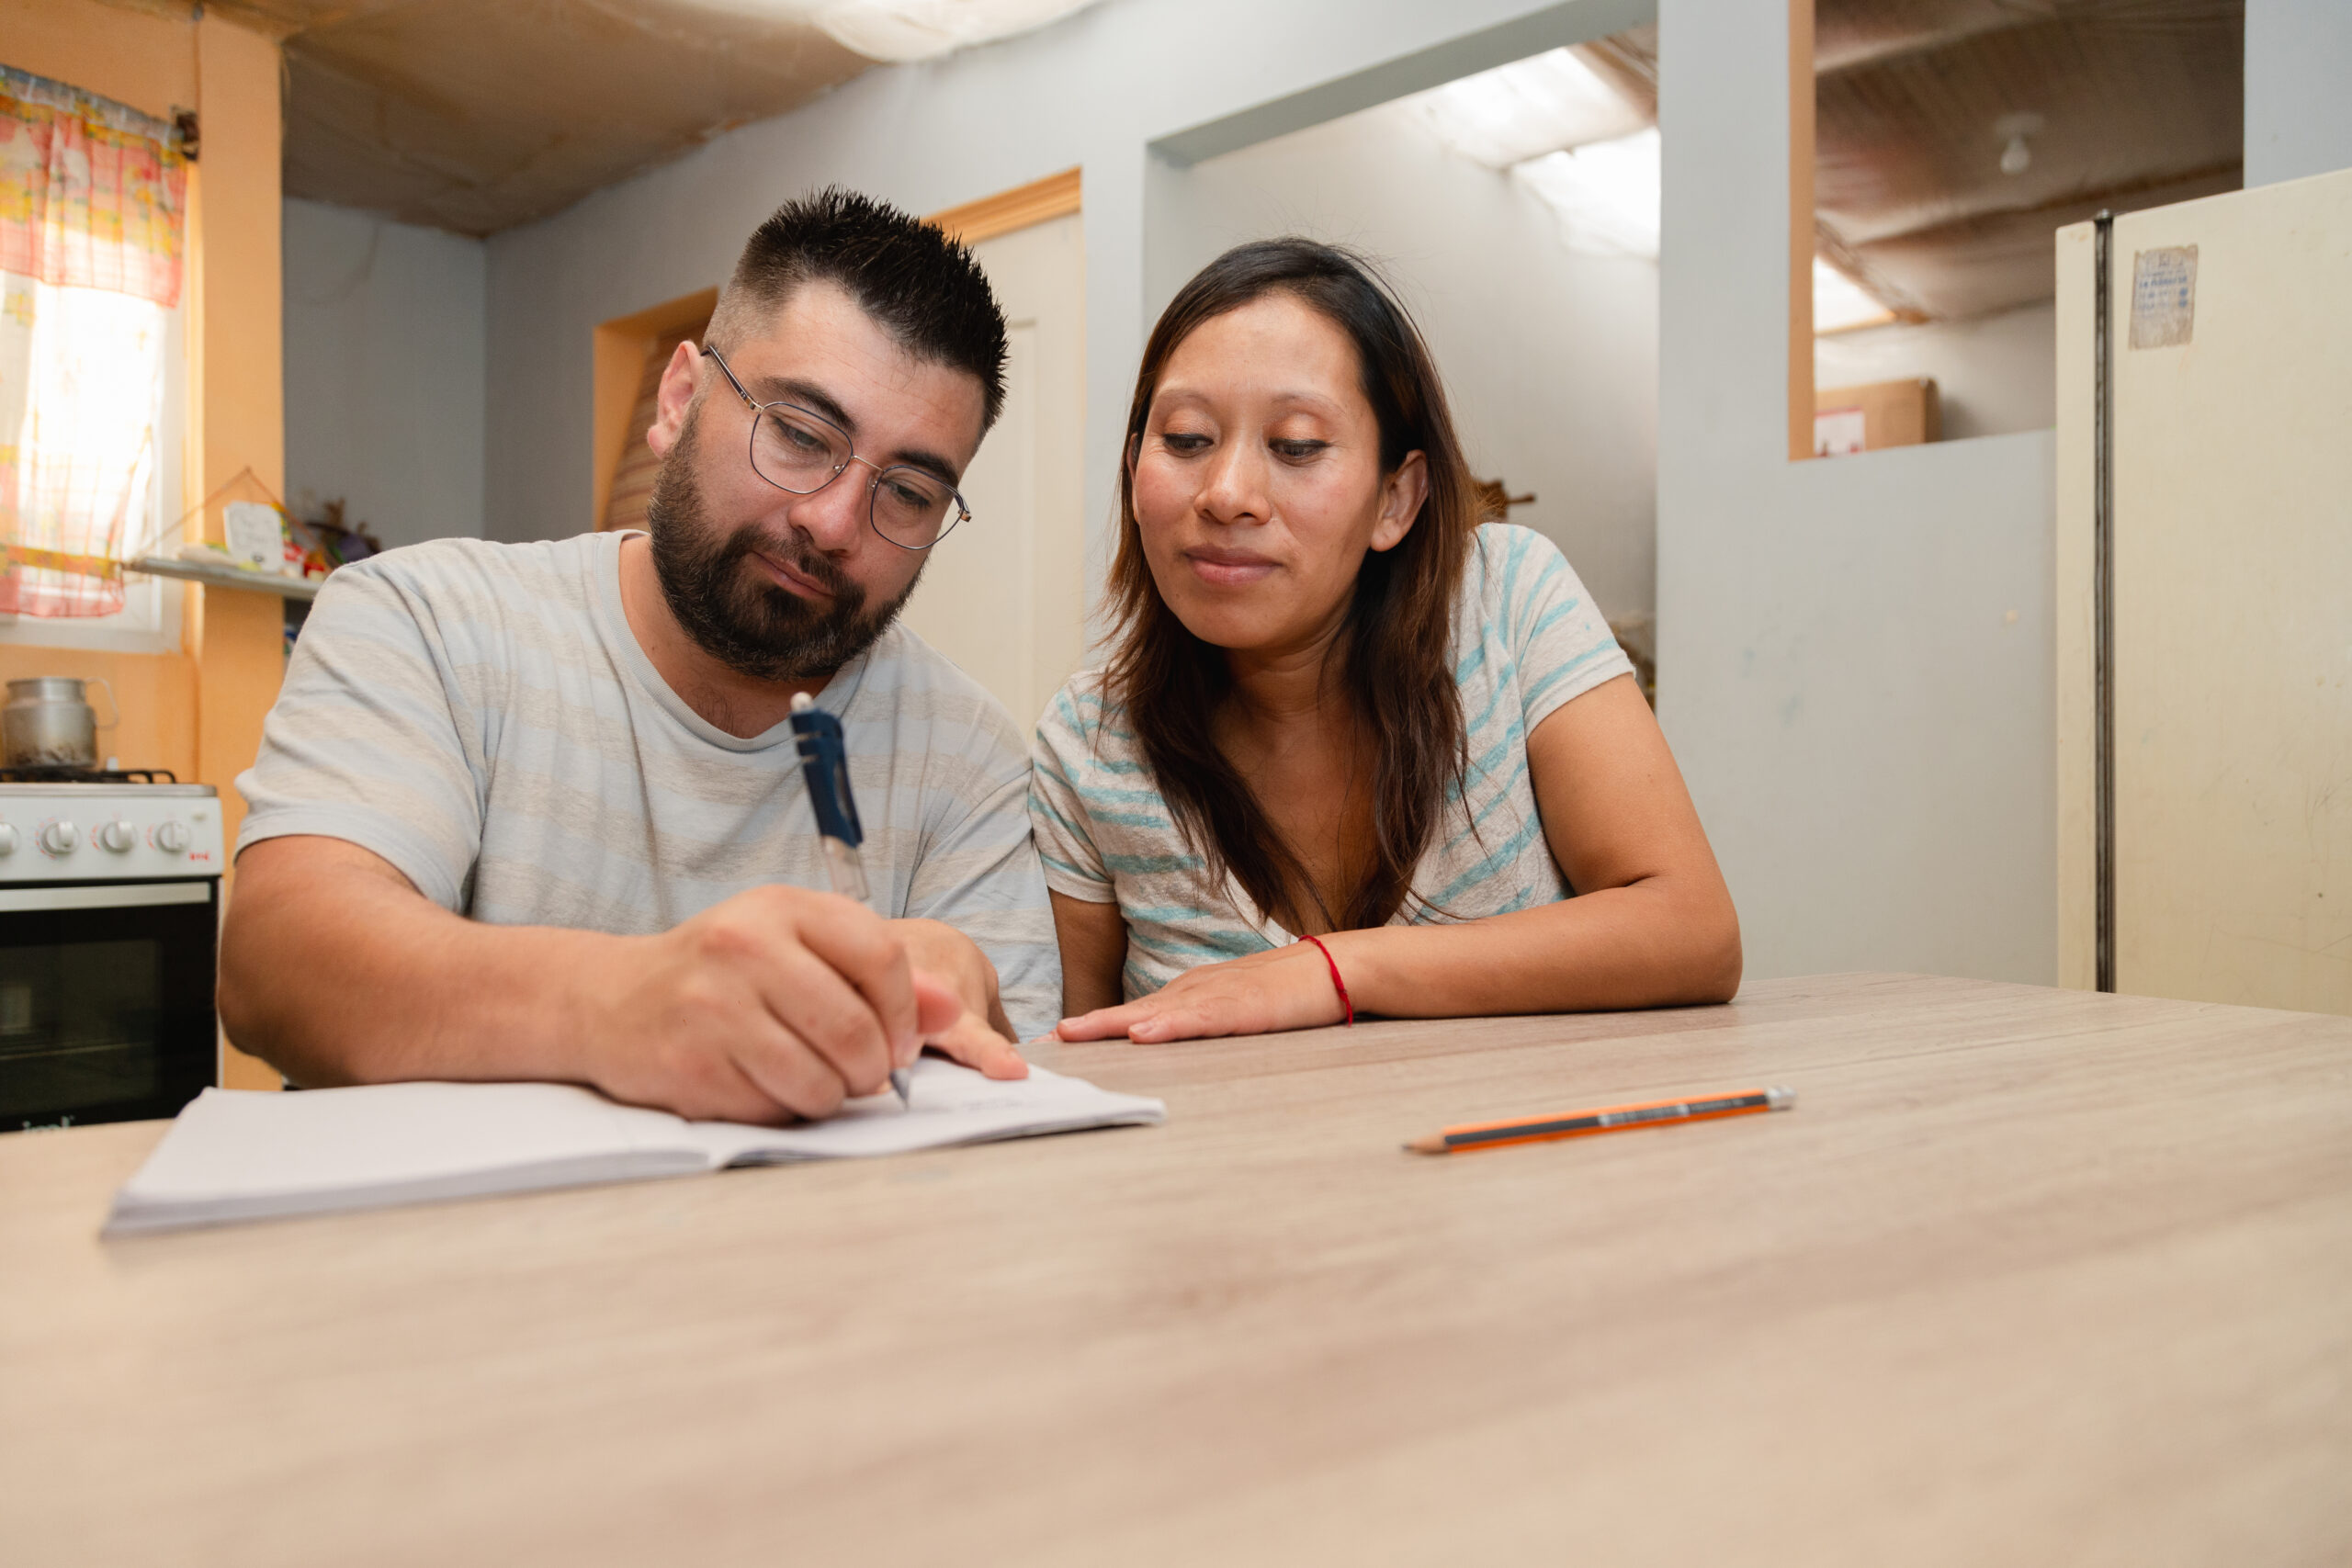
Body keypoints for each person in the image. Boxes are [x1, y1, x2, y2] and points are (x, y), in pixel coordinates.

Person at [220, 188, 1055, 1123]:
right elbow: (275, 965)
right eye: (799, 434)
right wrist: (622, 1001)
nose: (831, 522)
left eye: (906, 492)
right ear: (678, 399)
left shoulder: (967, 751)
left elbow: (1006, 1103)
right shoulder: (427, 619)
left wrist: (963, 987)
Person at [1032, 239, 1739, 1043]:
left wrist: (1332, 971)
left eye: (1296, 445)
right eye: (1187, 439)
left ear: (1395, 499)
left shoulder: (1507, 602)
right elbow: (1078, 1062)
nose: (1227, 494)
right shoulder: (1088, 745)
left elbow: (1694, 930)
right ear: (1133, 471)